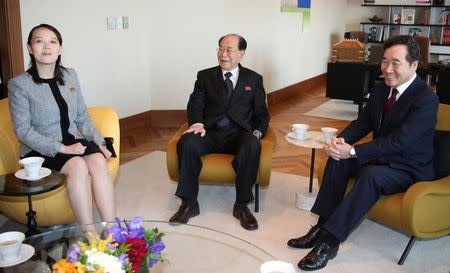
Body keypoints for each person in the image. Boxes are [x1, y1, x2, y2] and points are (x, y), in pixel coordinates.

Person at [287, 35, 439, 271]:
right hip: (382, 158)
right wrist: (340, 142)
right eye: (385, 61)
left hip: (409, 168)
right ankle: (321, 226)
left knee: (370, 175)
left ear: (414, 65)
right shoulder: (381, 90)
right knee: (338, 160)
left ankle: (330, 242)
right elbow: (363, 122)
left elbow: (399, 141)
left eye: (395, 63)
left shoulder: (426, 99)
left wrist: (354, 151)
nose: (387, 69)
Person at [8, 24, 116, 226]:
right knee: (77, 165)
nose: (47, 47)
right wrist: (62, 148)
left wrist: (100, 142)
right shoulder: (19, 84)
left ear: (60, 48)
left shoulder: (70, 75)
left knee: (99, 161)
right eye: (39, 41)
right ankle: (89, 232)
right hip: (39, 150)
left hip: (71, 141)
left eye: (53, 42)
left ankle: (111, 229)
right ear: (30, 48)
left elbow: (82, 115)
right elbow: (23, 131)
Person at [169, 34, 270, 230]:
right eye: (220, 48)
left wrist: (258, 131)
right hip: (210, 132)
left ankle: (241, 206)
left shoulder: (254, 79)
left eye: (229, 50)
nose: (223, 54)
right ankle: (189, 203)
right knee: (187, 142)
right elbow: (195, 103)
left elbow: (261, 113)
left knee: (251, 144)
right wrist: (197, 123)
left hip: (239, 133)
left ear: (241, 54)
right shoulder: (205, 76)